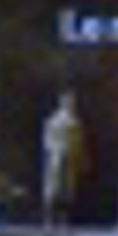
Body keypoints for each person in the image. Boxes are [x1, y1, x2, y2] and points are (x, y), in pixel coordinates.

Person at [40, 91, 86, 227]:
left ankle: (62, 219)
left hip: (68, 158)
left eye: (72, 102)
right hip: (57, 157)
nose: (71, 104)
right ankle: (50, 219)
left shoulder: (75, 122)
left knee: (66, 189)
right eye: (69, 102)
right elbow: (47, 140)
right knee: (54, 188)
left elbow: (78, 142)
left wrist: (79, 157)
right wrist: (56, 150)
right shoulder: (54, 121)